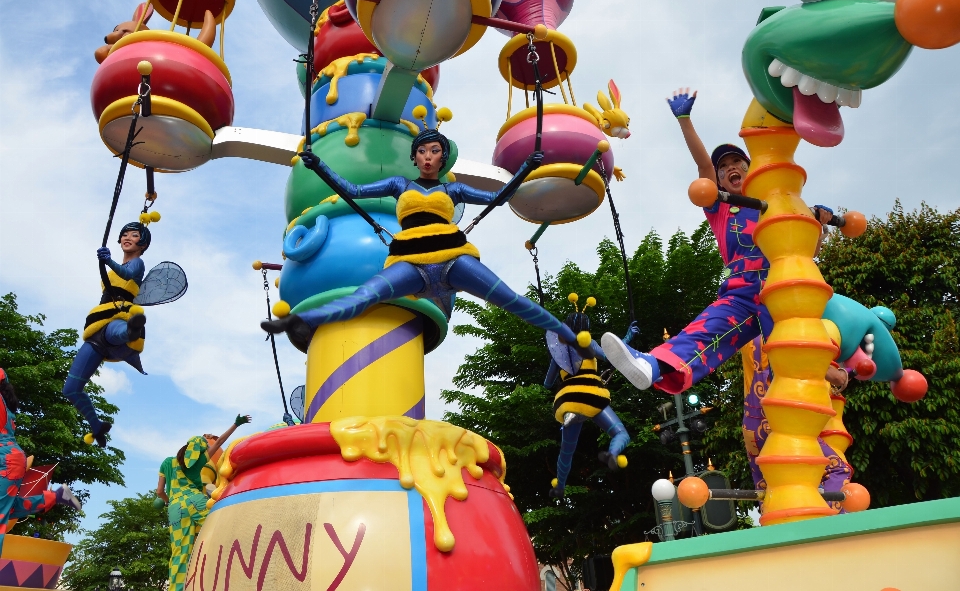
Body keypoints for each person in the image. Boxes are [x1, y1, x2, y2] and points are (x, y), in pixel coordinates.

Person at [601, 89, 834, 394]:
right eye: (723, 169)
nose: (730, 169)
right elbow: (703, 169)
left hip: (785, 289)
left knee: (793, 362)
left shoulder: (782, 205)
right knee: (707, 328)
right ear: (720, 183)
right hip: (742, 291)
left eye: (737, 162)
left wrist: (817, 224)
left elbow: (808, 253)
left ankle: (823, 384)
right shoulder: (722, 207)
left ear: (752, 169)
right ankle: (654, 365)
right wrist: (685, 120)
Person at [262, 129, 582, 347]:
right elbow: (354, 191)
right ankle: (298, 320)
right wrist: (319, 166)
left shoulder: (452, 189)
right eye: (422, 152)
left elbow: (498, 198)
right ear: (414, 158)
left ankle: (572, 337)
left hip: (452, 255)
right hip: (409, 259)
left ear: (442, 158)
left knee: (511, 299)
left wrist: (525, 169)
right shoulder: (400, 185)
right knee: (364, 297)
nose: (428, 156)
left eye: (434, 151)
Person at [64, 222, 151, 447]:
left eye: (134, 235)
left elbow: (128, 272)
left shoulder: (137, 263)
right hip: (99, 320)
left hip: (120, 313)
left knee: (115, 332)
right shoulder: (112, 270)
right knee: (71, 389)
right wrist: (108, 262)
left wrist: (108, 260)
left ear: (143, 243)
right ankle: (97, 426)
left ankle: (132, 331)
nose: (127, 237)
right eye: (124, 234)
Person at [741, 334, 852, 509]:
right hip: (782, 422)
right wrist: (847, 372)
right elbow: (832, 375)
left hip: (752, 426)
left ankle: (779, 529)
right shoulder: (786, 332)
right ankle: (829, 524)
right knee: (838, 468)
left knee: (769, 489)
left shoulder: (749, 336)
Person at [544, 295, 638, 497]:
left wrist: (557, 361)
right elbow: (613, 358)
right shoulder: (590, 344)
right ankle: (612, 454)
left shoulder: (558, 352)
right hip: (592, 396)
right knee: (621, 433)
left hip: (568, 400)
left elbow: (547, 383)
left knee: (566, 451)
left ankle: (559, 486)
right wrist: (629, 336)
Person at [156, 415, 251, 591]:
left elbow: (160, 491)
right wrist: (236, 424)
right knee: (221, 528)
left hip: (176, 508)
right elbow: (221, 440)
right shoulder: (200, 460)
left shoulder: (167, 463)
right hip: (196, 501)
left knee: (179, 552)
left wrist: (169, 502)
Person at [0, 369, 82, 554]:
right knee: (10, 509)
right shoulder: (5, 403)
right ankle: (57, 496)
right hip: (9, 459)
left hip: (5, 461)